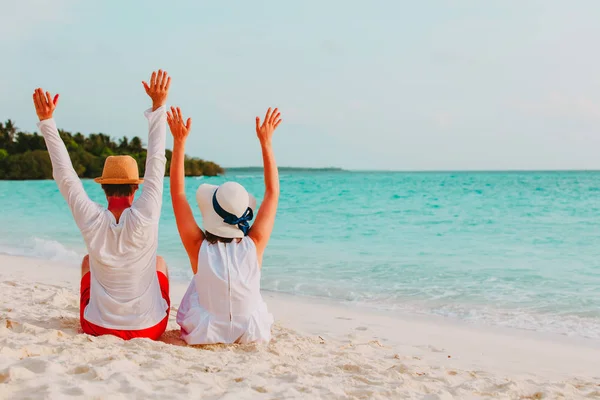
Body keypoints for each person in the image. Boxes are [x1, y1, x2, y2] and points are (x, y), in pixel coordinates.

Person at [32, 70, 172, 340]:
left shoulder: (91, 217)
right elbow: (157, 160)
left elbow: (64, 175)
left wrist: (47, 121)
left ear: (103, 186)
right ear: (136, 186)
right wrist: (158, 105)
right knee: (160, 263)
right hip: (150, 329)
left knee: (88, 261)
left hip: (98, 327)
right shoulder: (146, 213)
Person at [167, 106, 282, 344]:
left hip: (207, 331)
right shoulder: (255, 244)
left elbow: (178, 194)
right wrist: (266, 142)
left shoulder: (198, 247)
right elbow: (272, 193)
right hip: (250, 331)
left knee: (198, 283)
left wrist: (179, 142)